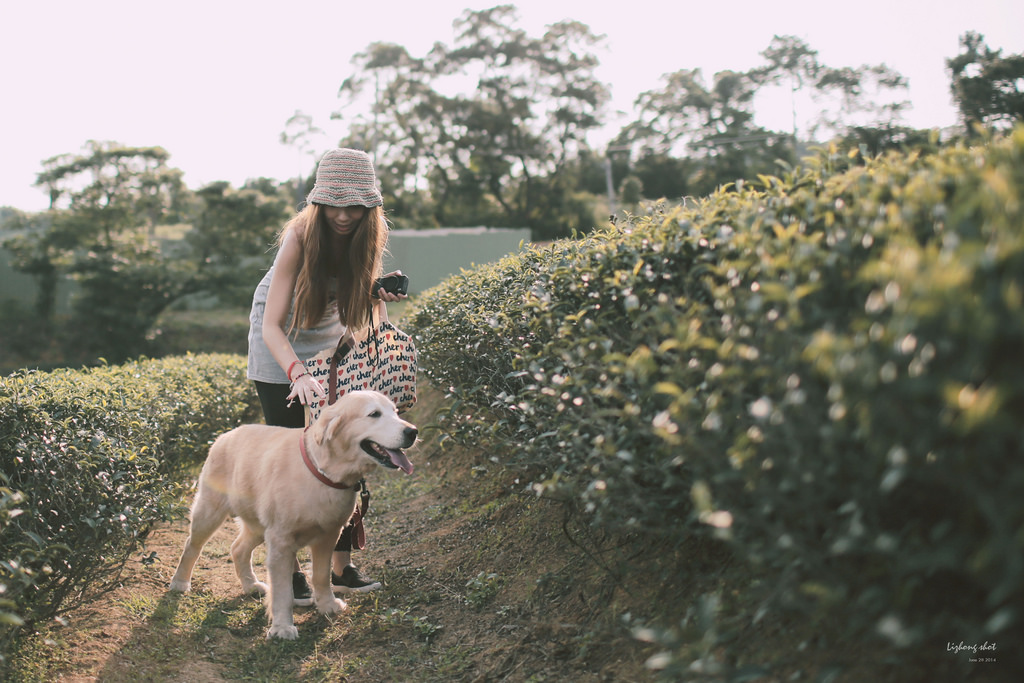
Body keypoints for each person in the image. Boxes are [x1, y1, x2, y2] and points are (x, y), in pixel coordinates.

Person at [246, 147, 406, 606]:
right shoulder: (299, 236)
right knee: (288, 453)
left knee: (344, 447)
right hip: (278, 340)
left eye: (354, 205)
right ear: (318, 202)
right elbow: (273, 325)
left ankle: (340, 568)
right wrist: (296, 374)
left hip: (328, 335)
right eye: (334, 203)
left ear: (369, 206)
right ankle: (291, 571)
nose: (343, 214)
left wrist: (380, 304)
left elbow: (362, 316)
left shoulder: (367, 236)